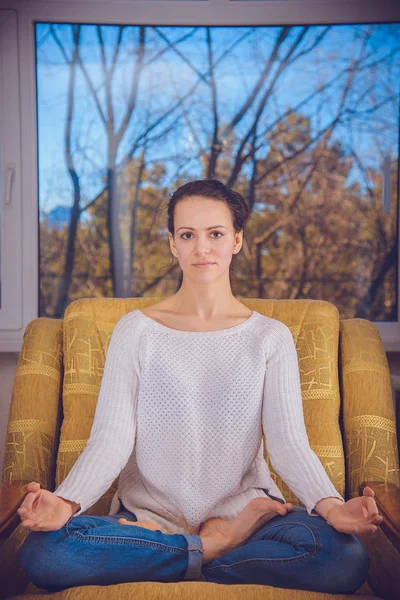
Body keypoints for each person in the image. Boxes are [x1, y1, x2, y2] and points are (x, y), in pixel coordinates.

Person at [18, 179, 382, 594]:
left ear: (237, 240)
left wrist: (332, 507)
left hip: (246, 515)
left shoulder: (270, 337)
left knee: (344, 558)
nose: (202, 248)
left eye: (216, 234)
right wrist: (65, 504)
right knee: (44, 553)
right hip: (149, 519)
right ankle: (211, 549)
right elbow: (111, 438)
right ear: (173, 243)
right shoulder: (135, 331)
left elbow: (288, 443)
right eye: (188, 235)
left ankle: (182, 553)